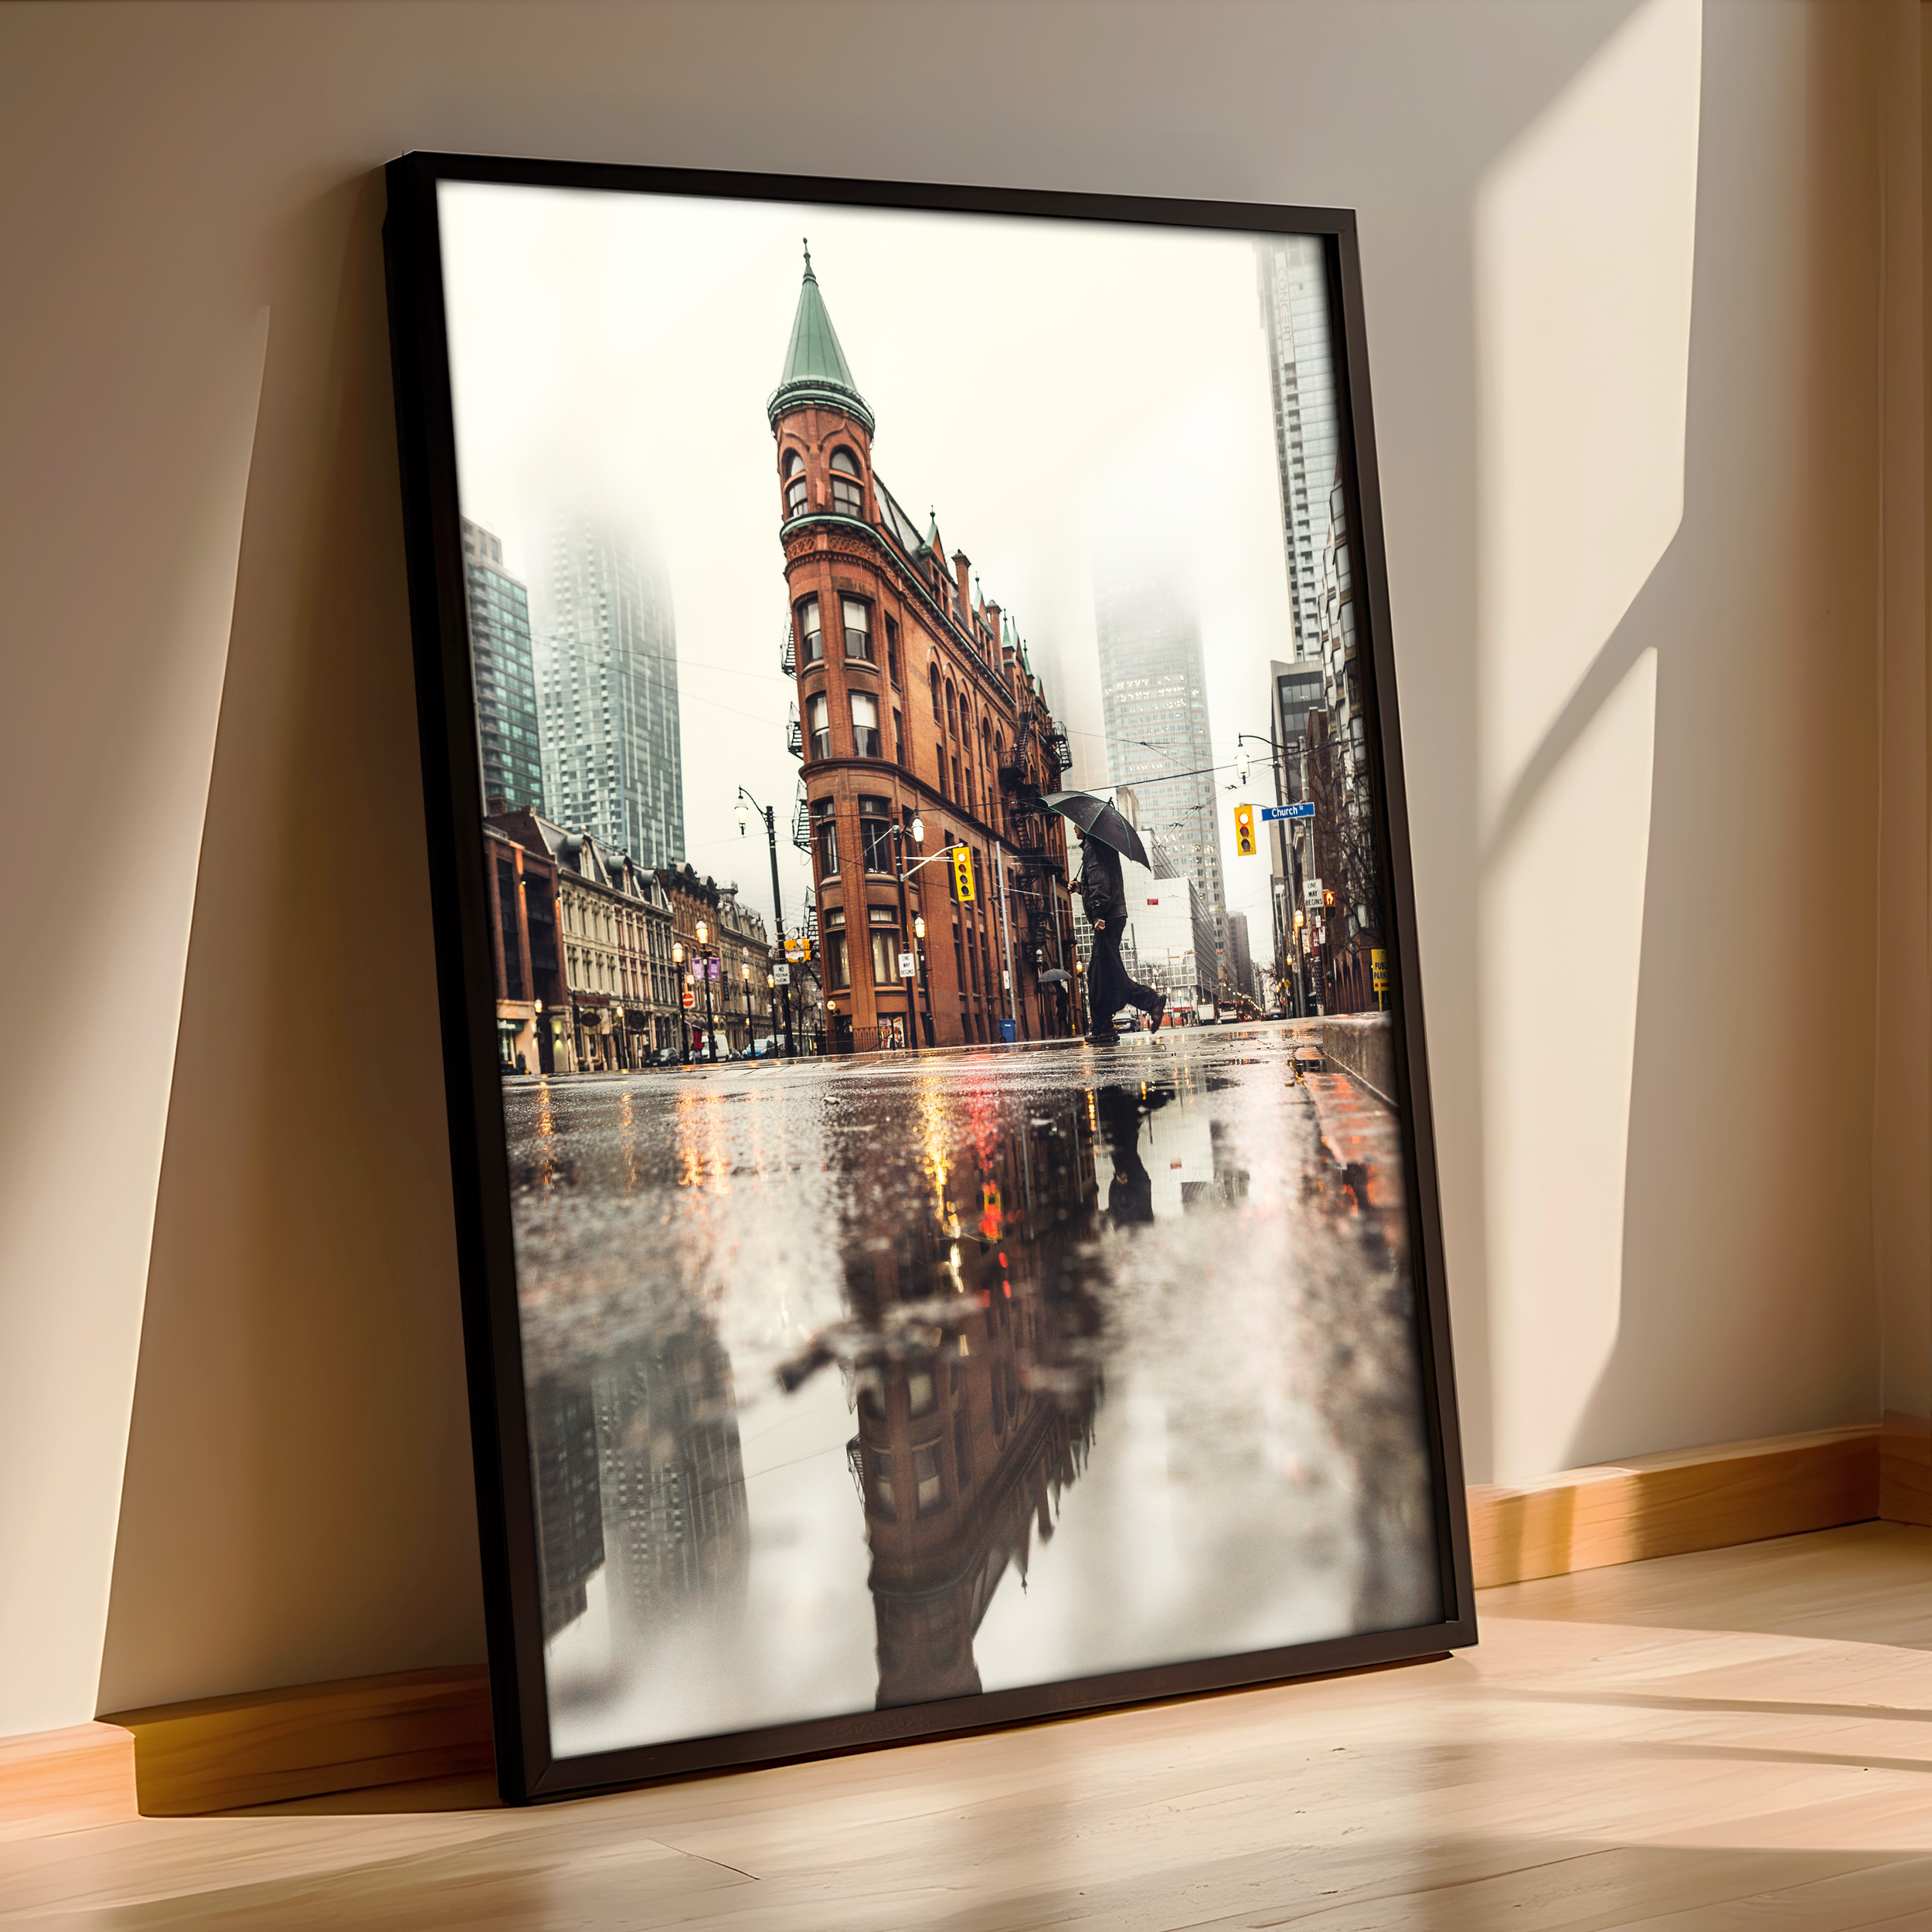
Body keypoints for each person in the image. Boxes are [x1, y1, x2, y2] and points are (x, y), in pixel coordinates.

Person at [1073, 827, 1165, 1045]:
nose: (1074, 828)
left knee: (1107, 975)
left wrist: (1097, 914)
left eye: (1076, 824)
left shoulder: (1093, 846)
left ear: (1085, 827)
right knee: (1099, 974)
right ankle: (1103, 1026)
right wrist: (1080, 887)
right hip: (1112, 915)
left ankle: (1151, 1001)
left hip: (1107, 918)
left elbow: (1100, 883)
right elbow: (1097, 881)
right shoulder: (1098, 845)